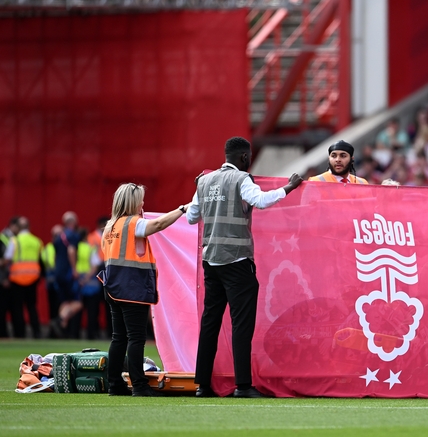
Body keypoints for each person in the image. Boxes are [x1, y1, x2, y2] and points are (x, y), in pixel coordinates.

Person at [187, 137, 303, 398]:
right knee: (241, 325)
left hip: (211, 261)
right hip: (237, 261)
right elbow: (261, 201)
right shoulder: (241, 179)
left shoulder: (203, 181)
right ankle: (242, 385)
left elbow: (192, 217)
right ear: (244, 158)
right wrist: (289, 187)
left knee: (210, 323)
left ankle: (202, 385)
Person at [99, 183, 190, 396]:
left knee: (118, 337)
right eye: (140, 199)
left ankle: (115, 385)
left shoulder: (110, 226)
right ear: (132, 202)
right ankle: (139, 386)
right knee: (136, 337)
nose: (142, 203)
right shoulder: (134, 224)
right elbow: (157, 225)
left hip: (112, 286)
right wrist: (182, 209)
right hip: (131, 287)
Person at [4, 217, 43, 338]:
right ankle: (36, 333)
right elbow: (41, 258)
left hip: (17, 278)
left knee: (18, 308)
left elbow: (7, 258)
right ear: (29, 227)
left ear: (18, 228)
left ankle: (20, 334)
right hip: (33, 277)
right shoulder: (37, 241)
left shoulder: (14, 240)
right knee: (32, 307)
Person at [0, 217, 20, 338]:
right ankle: (3, 334)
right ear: (13, 225)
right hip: (4, 279)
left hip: (14, 278)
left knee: (14, 309)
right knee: (2, 309)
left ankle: (15, 334)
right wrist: (4, 279)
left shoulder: (16, 239)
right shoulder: (3, 238)